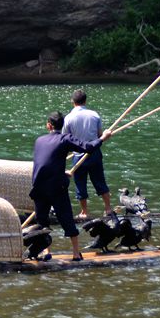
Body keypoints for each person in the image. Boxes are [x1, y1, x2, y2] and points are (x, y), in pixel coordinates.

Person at [29, 110, 111, 261]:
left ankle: (45, 251)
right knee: (66, 218)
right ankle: (75, 253)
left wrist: (61, 173)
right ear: (63, 125)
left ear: (48, 126)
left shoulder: (39, 140)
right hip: (56, 187)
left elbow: (44, 162)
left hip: (38, 186)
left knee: (42, 221)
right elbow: (88, 147)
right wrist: (103, 138)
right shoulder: (65, 139)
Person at [63, 88, 112, 220]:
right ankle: (108, 209)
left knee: (80, 184)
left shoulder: (68, 118)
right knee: (100, 181)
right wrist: (105, 136)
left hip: (78, 155)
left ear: (73, 101)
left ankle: (84, 212)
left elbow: (65, 139)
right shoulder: (94, 115)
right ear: (85, 101)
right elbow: (100, 136)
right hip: (94, 152)